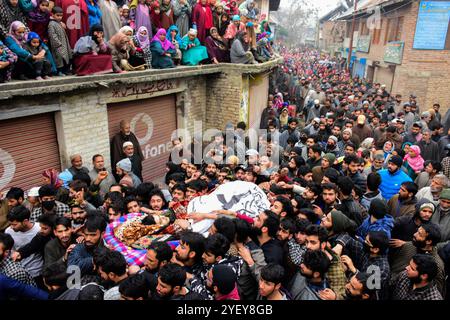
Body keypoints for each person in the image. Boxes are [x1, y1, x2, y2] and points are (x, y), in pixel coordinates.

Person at [5, 206, 43, 283]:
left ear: (25, 221)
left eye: (15, 224)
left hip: (38, 272)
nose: (12, 227)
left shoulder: (40, 229)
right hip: (19, 273)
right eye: (11, 224)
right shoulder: (9, 232)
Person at [47, 6, 72, 76]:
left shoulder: (59, 23)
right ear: (52, 14)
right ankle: (59, 71)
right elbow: (52, 36)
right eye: (57, 15)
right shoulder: (51, 24)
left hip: (63, 44)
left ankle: (65, 70)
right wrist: (58, 44)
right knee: (59, 58)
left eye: (61, 16)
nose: (59, 17)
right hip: (57, 46)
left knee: (65, 58)